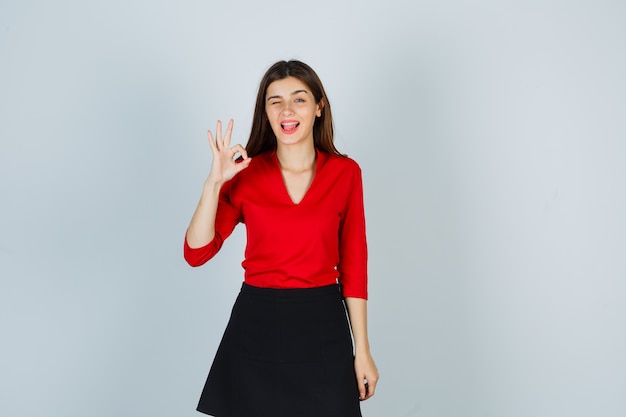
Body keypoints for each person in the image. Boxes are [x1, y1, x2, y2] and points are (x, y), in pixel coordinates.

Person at [184, 59, 379, 417]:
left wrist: (362, 350)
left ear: (319, 107)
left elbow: (354, 265)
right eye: (275, 101)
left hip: (322, 324)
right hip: (257, 324)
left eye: (299, 99)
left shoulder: (345, 173)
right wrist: (215, 183)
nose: (287, 110)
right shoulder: (245, 174)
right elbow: (196, 252)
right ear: (266, 112)